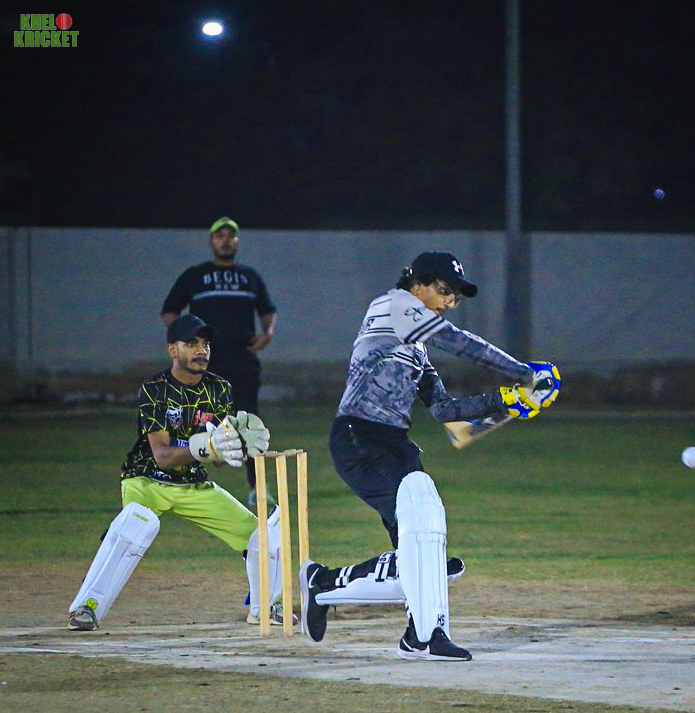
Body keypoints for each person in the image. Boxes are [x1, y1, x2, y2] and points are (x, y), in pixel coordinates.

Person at [299, 251, 560, 661]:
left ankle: (368, 608)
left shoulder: (416, 347)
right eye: (443, 290)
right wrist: (524, 373)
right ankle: (415, 630)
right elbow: (460, 342)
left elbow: (443, 410)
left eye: (454, 296)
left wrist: (506, 400)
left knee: (422, 554)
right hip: (358, 437)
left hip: (395, 445)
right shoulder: (391, 305)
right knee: (422, 537)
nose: (449, 301)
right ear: (416, 283)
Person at [67, 314, 286, 631]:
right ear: (172, 349)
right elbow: (162, 456)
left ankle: (267, 607)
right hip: (146, 480)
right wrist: (206, 447)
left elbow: (216, 452)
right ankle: (87, 607)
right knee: (135, 526)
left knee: (261, 535)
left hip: (193, 485)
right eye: (192, 343)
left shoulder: (219, 388)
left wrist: (237, 447)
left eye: (206, 344)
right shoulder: (155, 389)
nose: (202, 350)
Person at [161, 217, 277, 509]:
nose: (226, 240)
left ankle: (258, 488)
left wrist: (267, 333)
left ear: (237, 241)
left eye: (230, 235)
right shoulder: (196, 276)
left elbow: (267, 311)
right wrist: (185, 340)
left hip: (242, 360)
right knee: (195, 420)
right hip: (204, 363)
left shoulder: (249, 276)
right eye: (220, 235)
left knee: (250, 423)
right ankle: (182, 481)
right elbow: (170, 311)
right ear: (211, 241)